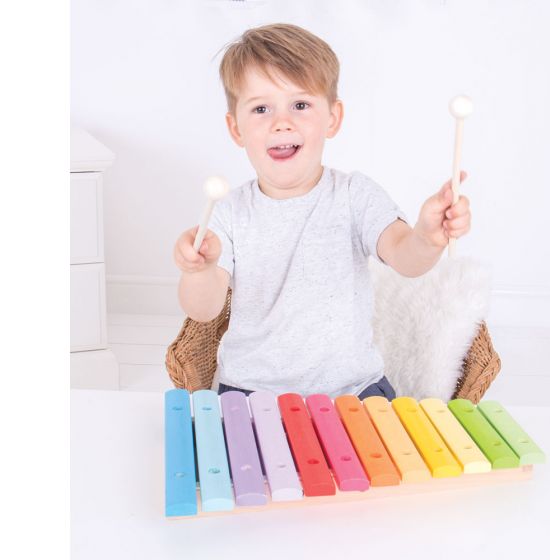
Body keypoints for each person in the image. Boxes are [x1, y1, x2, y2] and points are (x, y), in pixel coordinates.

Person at [173, 23, 471, 400]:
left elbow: (406, 258)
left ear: (332, 117)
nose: (282, 122)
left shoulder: (355, 195)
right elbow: (204, 309)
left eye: (301, 105)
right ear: (236, 129)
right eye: (261, 108)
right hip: (252, 393)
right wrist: (197, 271)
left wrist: (428, 236)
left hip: (355, 392)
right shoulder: (228, 213)